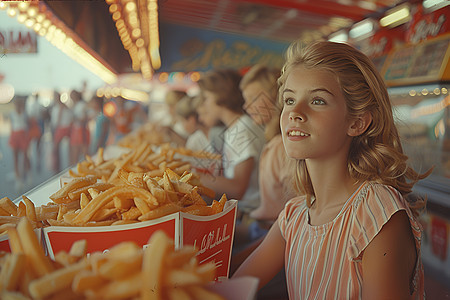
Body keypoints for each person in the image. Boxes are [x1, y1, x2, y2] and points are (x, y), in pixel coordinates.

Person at [233, 41, 431, 299]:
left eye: (317, 100)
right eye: (289, 99)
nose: (294, 111)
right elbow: (233, 286)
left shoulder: (376, 213)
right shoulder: (295, 214)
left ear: (357, 122)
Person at [197, 69, 265, 214]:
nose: (205, 105)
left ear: (221, 96)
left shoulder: (242, 129)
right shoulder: (236, 127)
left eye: (207, 97)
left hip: (250, 213)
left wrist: (193, 176)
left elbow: (237, 188)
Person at [8, 95, 30, 190]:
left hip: (23, 135)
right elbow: (11, 126)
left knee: (25, 157)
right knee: (16, 157)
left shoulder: (25, 113)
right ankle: (18, 178)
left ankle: (27, 174)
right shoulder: (12, 113)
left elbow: (27, 125)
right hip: (15, 135)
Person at [51, 91, 73, 173]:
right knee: (57, 149)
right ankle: (58, 167)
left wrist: (56, 127)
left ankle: (58, 168)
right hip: (61, 127)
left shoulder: (60, 106)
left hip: (61, 128)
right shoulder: (57, 106)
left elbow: (59, 118)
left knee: (56, 148)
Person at [70, 90, 90, 165]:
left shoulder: (82, 104)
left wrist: (75, 118)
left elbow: (84, 118)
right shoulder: (75, 105)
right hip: (76, 129)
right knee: (75, 151)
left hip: (81, 129)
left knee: (83, 151)